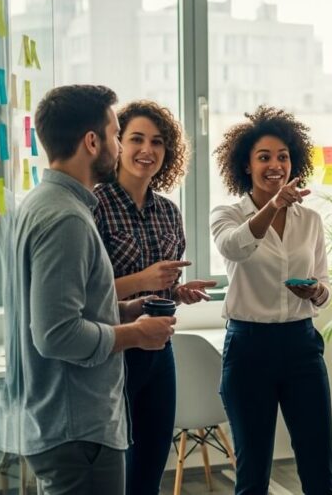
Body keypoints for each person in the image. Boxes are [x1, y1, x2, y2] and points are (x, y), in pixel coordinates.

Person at [4, 84, 176, 495]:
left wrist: (126, 309)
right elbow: (56, 333)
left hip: (64, 422)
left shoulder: (42, 204)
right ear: (92, 141)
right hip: (77, 427)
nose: (120, 147)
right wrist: (136, 334)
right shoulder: (66, 219)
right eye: (118, 135)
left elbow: (64, 310)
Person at [92, 100, 216, 495]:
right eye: (137, 139)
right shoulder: (96, 205)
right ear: (118, 144)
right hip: (114, 350)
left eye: (158, 142)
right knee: (113, 465)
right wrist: (143, 278)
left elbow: (160, 290)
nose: (148, 150)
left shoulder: (168, 211)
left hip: (160, 350)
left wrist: (177, 291)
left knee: (151, 462)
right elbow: (86, 293)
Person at [210, 106, 332, 495]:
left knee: (319, 466)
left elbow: (325, 288)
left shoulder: (310, 220)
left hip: (301, 345)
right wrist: (274, 205)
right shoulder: (227, 214)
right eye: (264, 157)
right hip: (249, 348)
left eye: (282, 156)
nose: (275, 165)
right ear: (246, 165)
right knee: (253, 470)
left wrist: (315, 291)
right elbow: (235, 248)